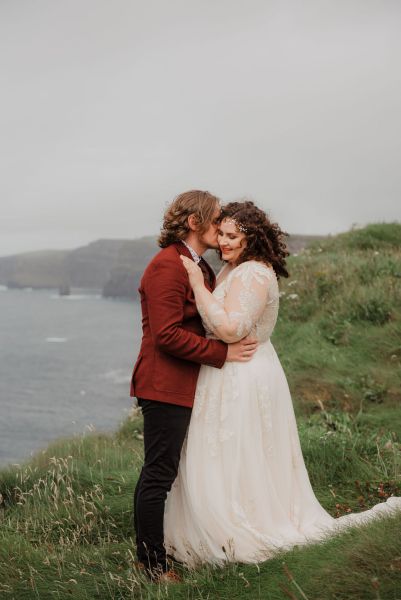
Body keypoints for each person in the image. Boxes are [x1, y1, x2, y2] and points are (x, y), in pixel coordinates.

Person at [164, 200, 401, 566]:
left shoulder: (256, 273)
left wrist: (197, 283)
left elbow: (231, 329)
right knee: (221, 452)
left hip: (244, 374)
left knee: (243, 453)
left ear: (252, 239)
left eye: (232, 236)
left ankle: (242, 525)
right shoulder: (233, 269)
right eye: (222, 234)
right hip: (224, 372)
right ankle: (210, 526)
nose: (224, 242)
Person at [130, 190, 258, 581]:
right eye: (216, 217)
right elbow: (167, 335)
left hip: (186, 384)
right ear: (194, 222)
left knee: (172, 471)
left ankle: (177, 545)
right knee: (159, 473)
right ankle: (152, 564)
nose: (221, 224)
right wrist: (223, 353)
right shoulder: (167, 266)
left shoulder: (197, 265)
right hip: (163, 385)